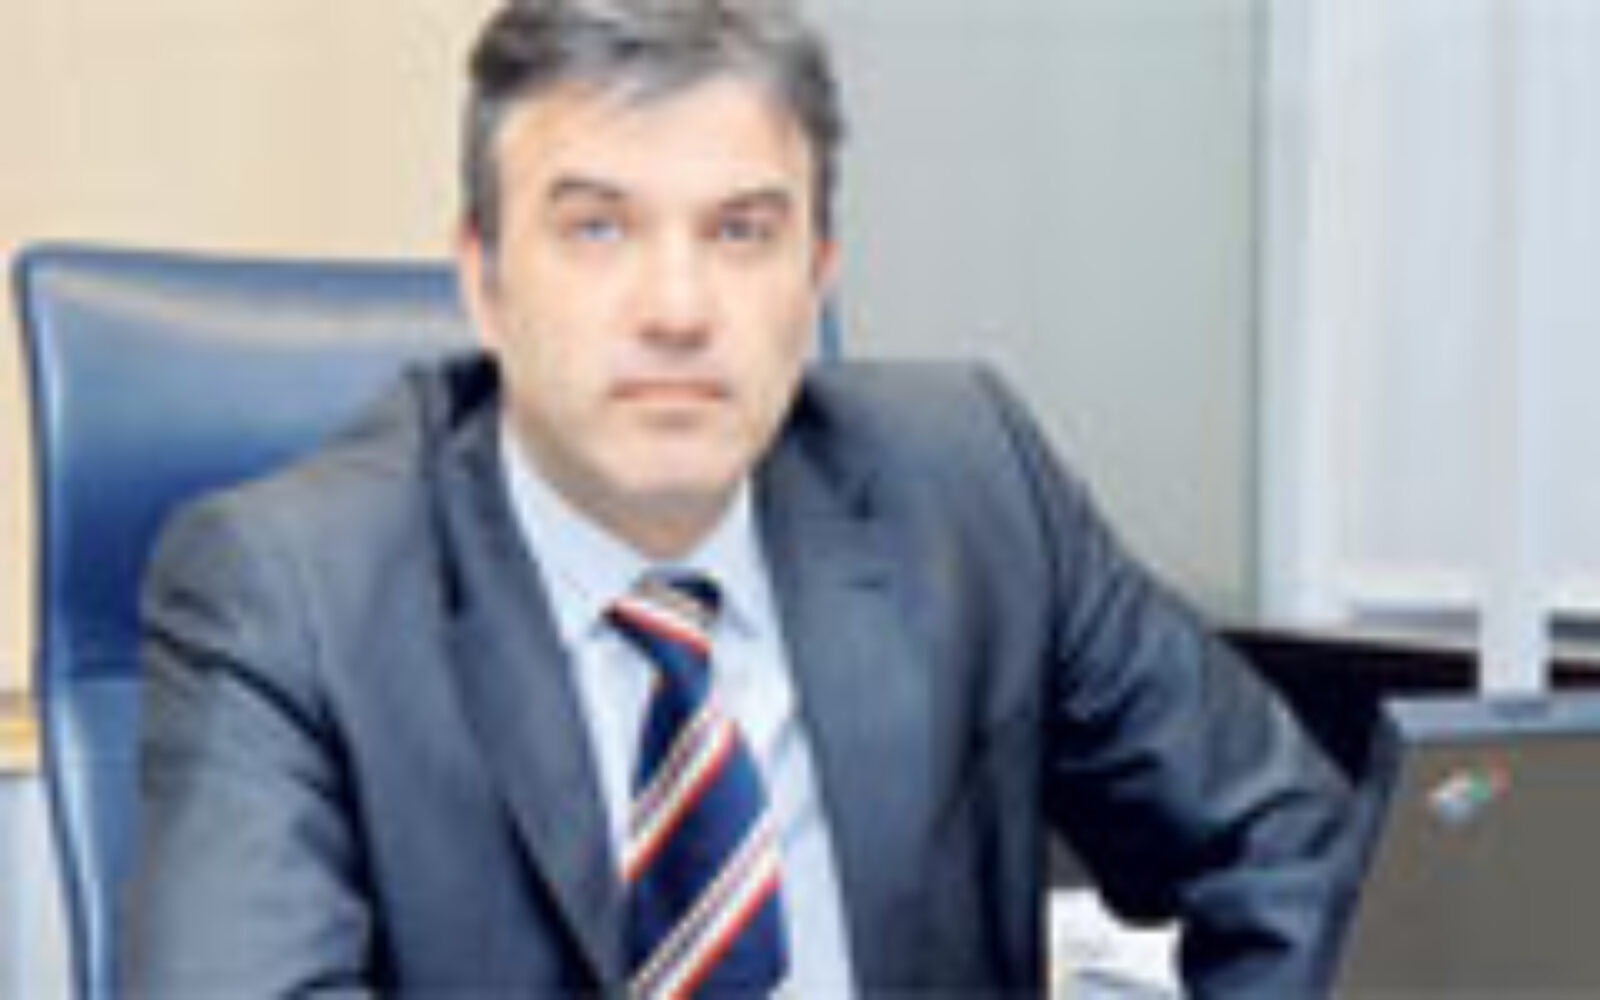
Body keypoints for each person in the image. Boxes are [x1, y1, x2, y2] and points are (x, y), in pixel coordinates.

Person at [120, 0, 1367, 995]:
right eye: (597, 229)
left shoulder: (971, 487)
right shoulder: (291, 592)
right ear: (484, 280)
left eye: (739, 233)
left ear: (815, 278)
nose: (677, 309)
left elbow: (1298, 858)